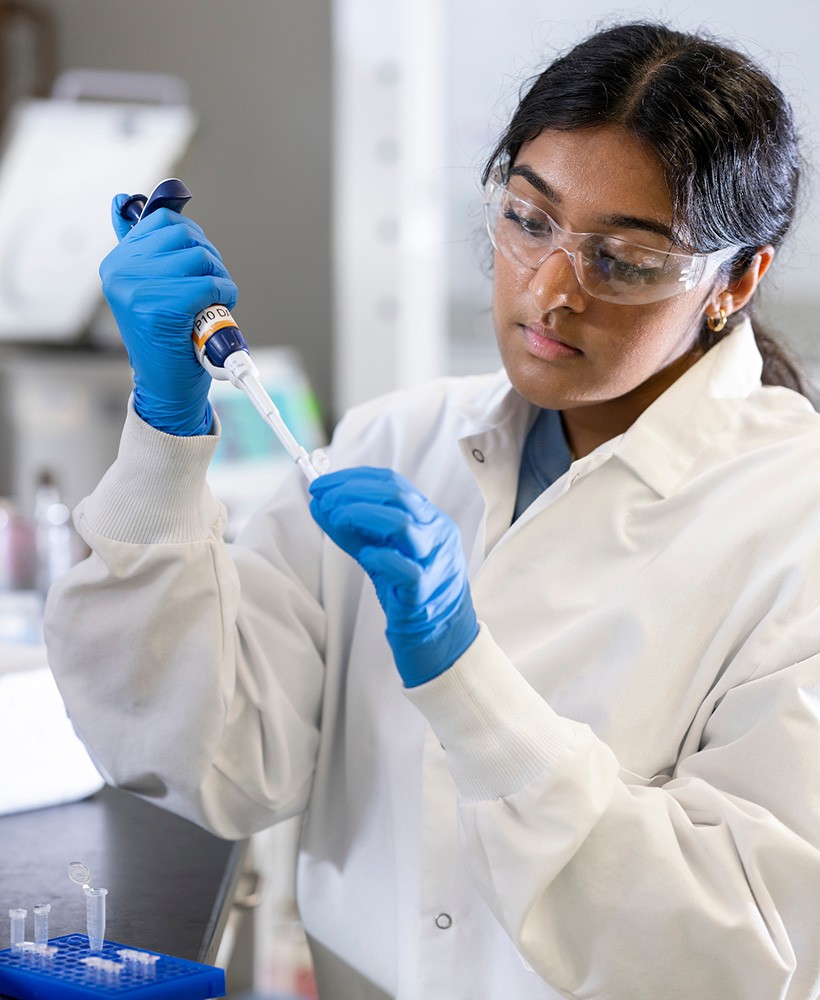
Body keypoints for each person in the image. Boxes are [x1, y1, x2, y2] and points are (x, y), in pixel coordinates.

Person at [44, 20, 820, 1000]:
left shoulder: (797, 526)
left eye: (622, 259)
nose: (548, 292)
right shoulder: (393, 441)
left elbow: (734, 953)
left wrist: (467, 682)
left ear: (735, 281)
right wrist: (164, 434)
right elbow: (211, 761)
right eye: (528, 220)